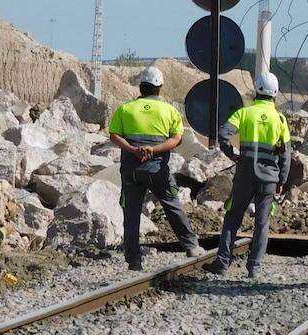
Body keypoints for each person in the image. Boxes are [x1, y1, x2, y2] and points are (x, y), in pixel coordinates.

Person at [108, 66, 204, 271]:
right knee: (172, 204)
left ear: (141, 87)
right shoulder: (169, 110)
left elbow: (114, 135)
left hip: (131, 170)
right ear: (159, 88)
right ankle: (191, 246)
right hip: (157, 170)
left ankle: (133, 260)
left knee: (131, 213)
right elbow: (176, 139)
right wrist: (154, 149)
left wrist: (134, 150)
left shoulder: (125, 109)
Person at [204, 71, 291, 280]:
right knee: (262, 222)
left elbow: (223, 134)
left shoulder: (244, 113)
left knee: (233, 217)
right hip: (269, 178)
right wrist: (282, 180)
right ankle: (254, 267)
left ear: (256, 90)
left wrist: (232, 155)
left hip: (244, 175)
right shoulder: (279, 119)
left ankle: (223, 262)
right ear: (275, 92)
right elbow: (286, 154)